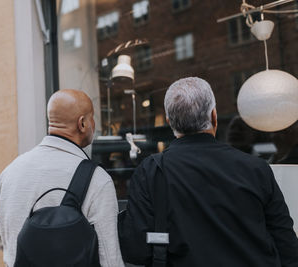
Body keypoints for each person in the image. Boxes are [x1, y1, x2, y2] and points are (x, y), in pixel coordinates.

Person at [118, 77, 298, 267]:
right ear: (214, 116)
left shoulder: (151, 171)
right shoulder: (256, 168)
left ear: (170, 121)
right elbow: (287, 246)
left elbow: (136, 251)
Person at [0, 89, 124, 267]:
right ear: (83, 123)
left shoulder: (9, 172)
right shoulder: (97, 180)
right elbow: (109, 259)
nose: (94, 123)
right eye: (92, 117)